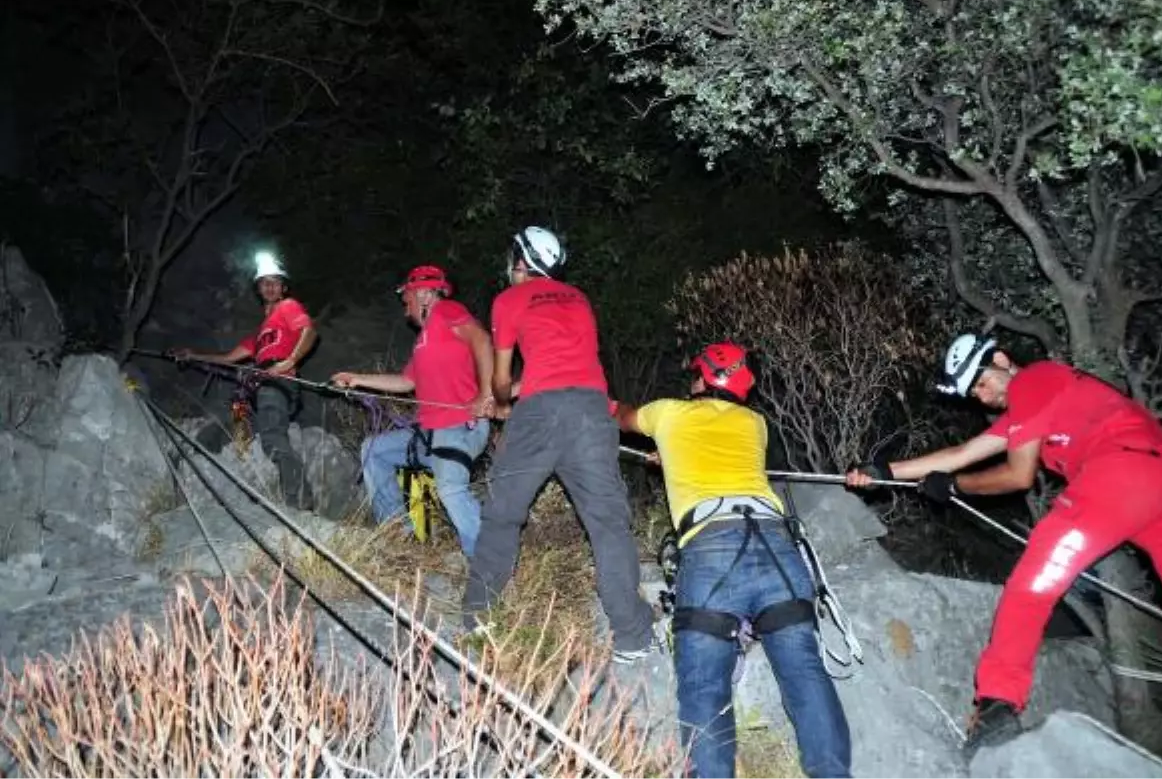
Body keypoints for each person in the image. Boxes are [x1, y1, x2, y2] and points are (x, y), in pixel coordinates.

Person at [846, 333, 1162, 755]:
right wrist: (881, 469)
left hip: (1122, 472)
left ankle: (996, 706)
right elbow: (964, 451)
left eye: (980, 382)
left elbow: (1018, 476)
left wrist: (957, 487)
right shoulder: (1044, 398)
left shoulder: (1033, 380)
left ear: (1000, 358)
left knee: (1031, 586)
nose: (981, 396)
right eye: (972, 392)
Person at [615, 342, 852, 779]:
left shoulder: (670, 413)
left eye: (695, 375)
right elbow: (720, 452)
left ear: (705, 377)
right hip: (778, 549)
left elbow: (625, 418)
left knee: (705, 688)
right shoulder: (755, 423)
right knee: (804, 673)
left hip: (711, 548)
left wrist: (610, 404)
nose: (691, 382)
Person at [462, 225, 655, 661]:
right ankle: (631, 635)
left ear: (521, 259)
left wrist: (499, 401)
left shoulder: (508, 299)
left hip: (539, 416)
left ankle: (477, 623)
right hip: (590, 408)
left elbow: (502, 379)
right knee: (608, 523)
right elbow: (564, 365)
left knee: (503, 515)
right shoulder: (579, 298)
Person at [331, 265, 494, 556]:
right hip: (428, 434)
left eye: (406, 297)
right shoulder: (423, 341)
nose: (405, 307)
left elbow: (481, 339)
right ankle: (400, 534)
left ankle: (488, 567)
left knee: (451, 490)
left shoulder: (447, 311)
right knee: (374, 450)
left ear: (424, 293)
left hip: (458, 426)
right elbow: (407, 382)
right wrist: (357, 379)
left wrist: (485, 394)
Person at [171, 251, 316, 509]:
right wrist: (192, 355)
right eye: (264, 282)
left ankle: (300, 504)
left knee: (273, 438)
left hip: (278, 384)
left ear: (283, 287)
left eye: (275, 281)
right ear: (258, 289)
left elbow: (309, 331)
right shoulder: (261, 334)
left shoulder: (288, 307)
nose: (270, 286)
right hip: (257, 390)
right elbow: (228, 358)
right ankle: (197, 475)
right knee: (230, 424)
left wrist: (290, 361)